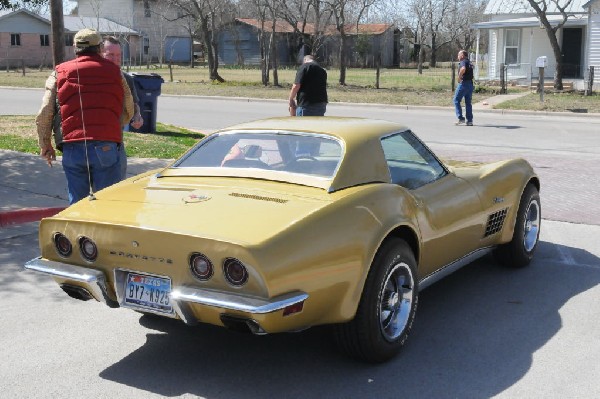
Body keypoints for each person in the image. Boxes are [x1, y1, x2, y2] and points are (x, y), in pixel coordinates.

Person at [36, 28, 134, 204]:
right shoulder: (115, 72)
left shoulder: (59, 72)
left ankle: (79, 230)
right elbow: (128, 107)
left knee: (77, 205)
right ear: (99, 48)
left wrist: (45, 144)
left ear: (75, 47)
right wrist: (114, 126)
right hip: (106, 145)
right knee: (107, 202)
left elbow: (45, 112)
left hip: (72, 147)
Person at [102, 35, 144, 179]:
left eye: (119, 55)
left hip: (116, 140)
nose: (116, 59)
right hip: (93, 141)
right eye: (111, 55)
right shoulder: (92, 77)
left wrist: (137, 116)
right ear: (100, 54)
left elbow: (134, 104)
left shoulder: (126, 79)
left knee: (118, 180)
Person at [453, 50, 474, 126]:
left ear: (462, 55)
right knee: (468, 103)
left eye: (458, 55)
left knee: (456, 100)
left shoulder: (463, 61)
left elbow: (463, 69)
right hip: (470, 84)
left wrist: (459, 77)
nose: (457, 57)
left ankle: (461, 118)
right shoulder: (469, 62)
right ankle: (469, 120)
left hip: (464, 83)